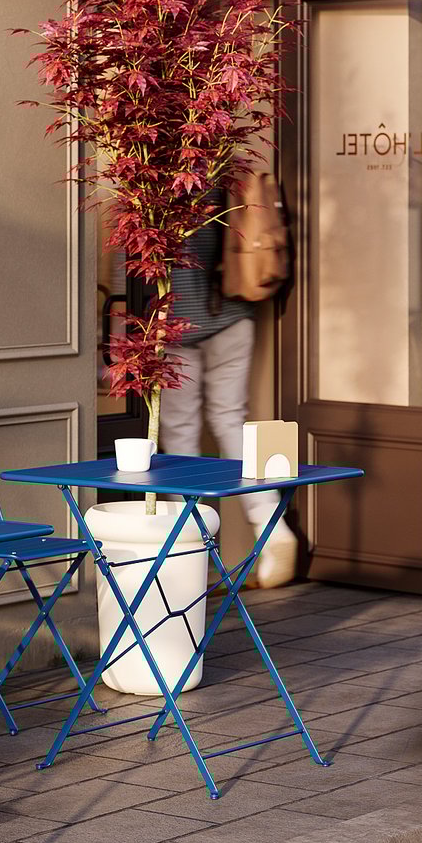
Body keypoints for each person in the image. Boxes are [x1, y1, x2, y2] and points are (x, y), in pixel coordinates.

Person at [161, 187, 297, 588]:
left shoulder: (153, 185)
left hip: (176, 324)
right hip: (233, 313)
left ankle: (189, 546)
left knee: (180, 431)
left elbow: (134, 268)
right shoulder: (227, 175)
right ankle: (271, 525)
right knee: (231, 420)